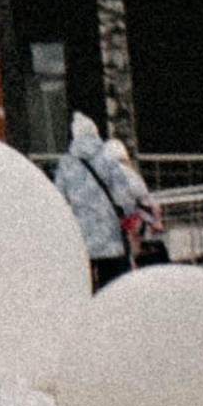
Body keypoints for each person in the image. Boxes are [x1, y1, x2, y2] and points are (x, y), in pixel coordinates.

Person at [54, 112, 151, 285]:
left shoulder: (65, 164)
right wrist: (128, 213)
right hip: (110, 235)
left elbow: (59, 199)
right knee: (113, 284)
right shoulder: (107, 159)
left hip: (82, 238)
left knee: (86, 284)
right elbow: (123, 193)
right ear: (95, 133)